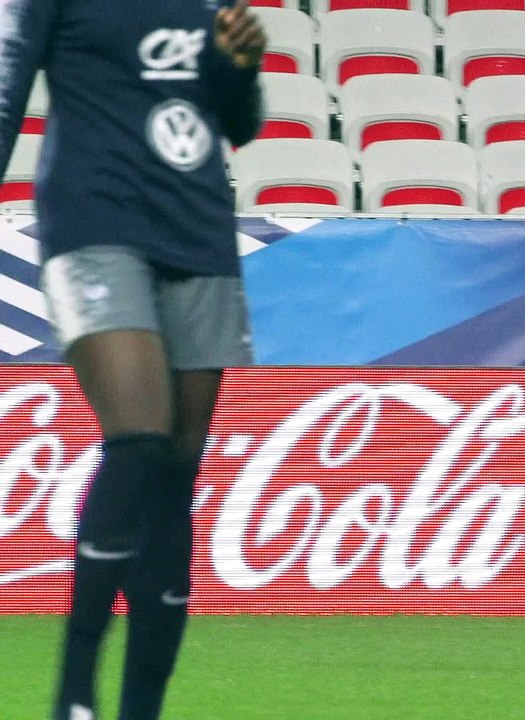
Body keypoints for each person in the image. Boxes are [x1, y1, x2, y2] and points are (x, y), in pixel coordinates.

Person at [0, 2, 265, 718]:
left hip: (198, 226)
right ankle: (74, 693)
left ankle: (141, 708)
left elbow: (237, 124)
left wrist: (242, 66)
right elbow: (7, 84)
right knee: (141, 438)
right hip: (94, 221)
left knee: (178, 466)